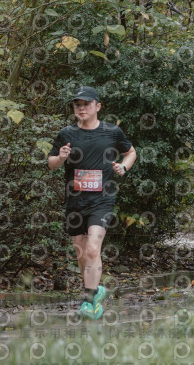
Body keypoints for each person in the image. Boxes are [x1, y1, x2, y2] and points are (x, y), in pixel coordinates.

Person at [48, 86, 136, 320]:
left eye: (86, 104)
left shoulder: (112, 132)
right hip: (75, 201)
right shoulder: (66, 133)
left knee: (93, 249)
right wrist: (61, 157)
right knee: (81, 253)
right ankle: (95, 290)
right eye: (77, 105)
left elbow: (131, 152)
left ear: (98, 106)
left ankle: (89, 301)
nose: (81, 108)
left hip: (102, 200)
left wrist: (123, 167)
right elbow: (52, 163)